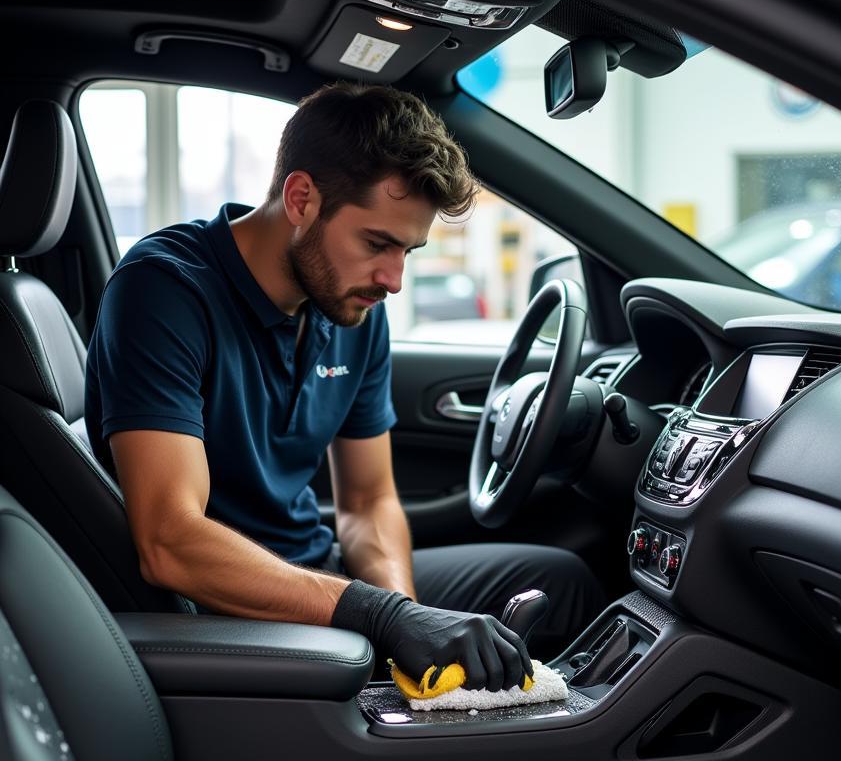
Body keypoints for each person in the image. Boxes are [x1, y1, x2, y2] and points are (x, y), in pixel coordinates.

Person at [85, 81, 604, 693]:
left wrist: (409, 624)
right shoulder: (165, 289)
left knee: (560, 581)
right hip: (227, 609)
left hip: (321, 577)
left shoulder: (351, 308)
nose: (394, 280)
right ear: (302, 199)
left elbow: (367, 503)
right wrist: (383, 617)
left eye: (408, 250)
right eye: (377, 243)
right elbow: (170, 541)